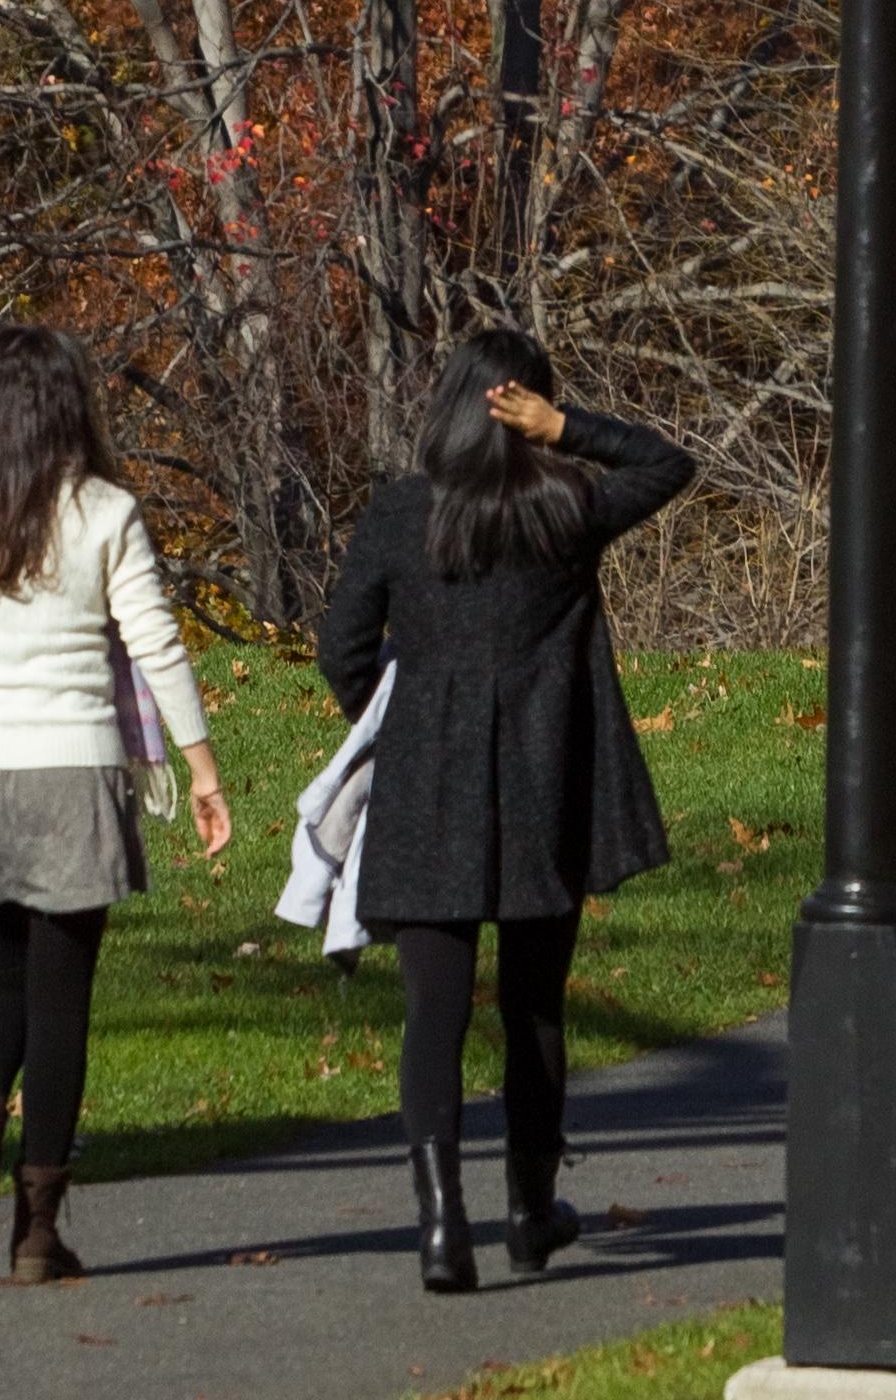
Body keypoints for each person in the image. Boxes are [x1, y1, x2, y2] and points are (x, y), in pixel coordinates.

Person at [316, 329, 695, 1294]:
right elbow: (667, 462)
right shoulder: (566, 506)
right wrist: (568, 429)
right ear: (524, 410)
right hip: (542, 781)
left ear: (449, 404)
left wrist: (390, 718)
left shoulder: (404, 514)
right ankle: (528, 1212)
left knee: (432, 1017)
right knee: (534, 1008)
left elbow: (343, 646)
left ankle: (443, 1227)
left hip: (428, 787)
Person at [0, 325, 233, 1284]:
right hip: (69, 780)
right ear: (70, 403)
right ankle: (39, 1232)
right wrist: (202, 770)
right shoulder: (106, 511)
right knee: (60, 1006)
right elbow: (156, 644)